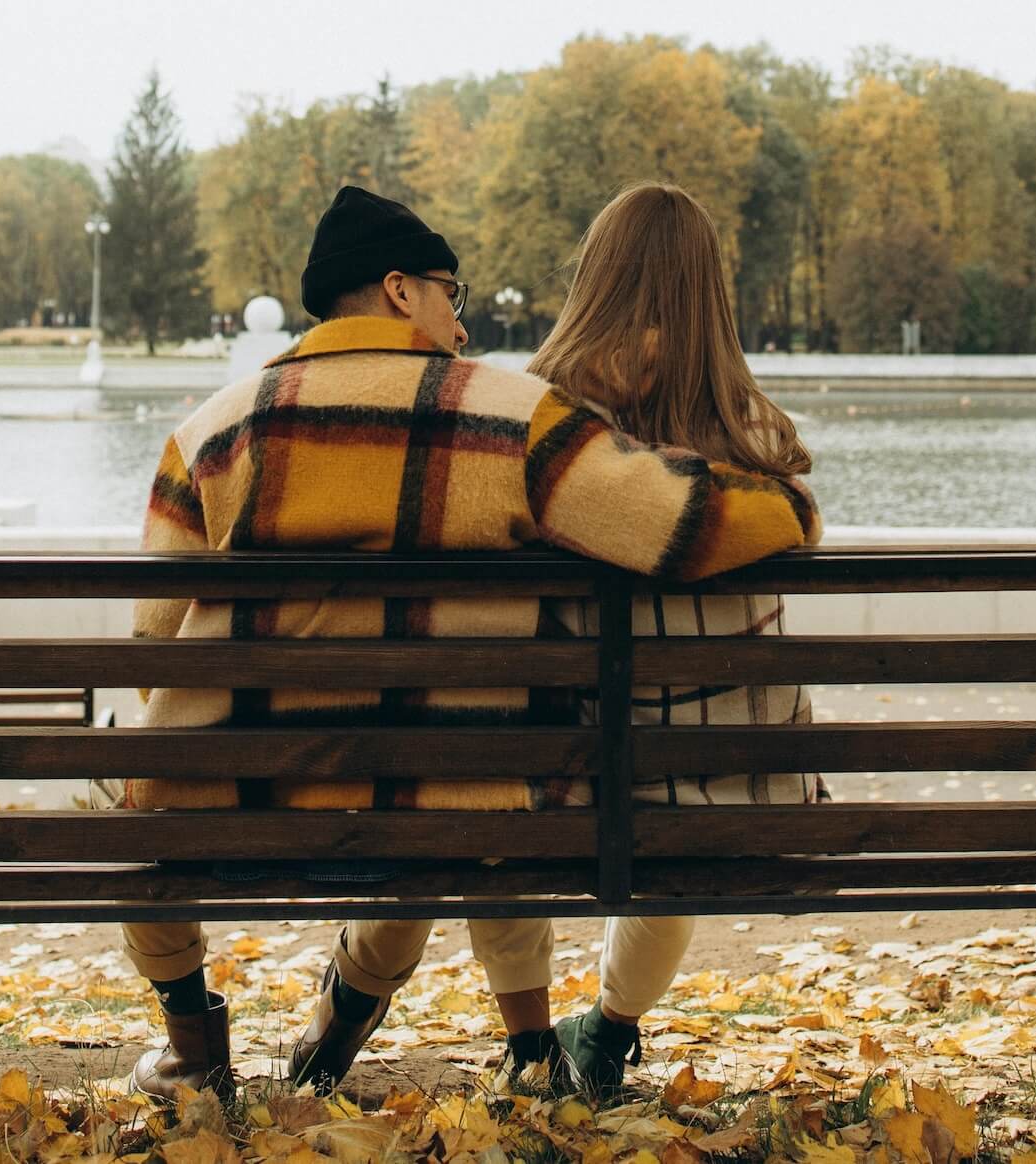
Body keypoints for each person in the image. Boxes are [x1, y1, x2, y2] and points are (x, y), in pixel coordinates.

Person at [120, 185, 819, 1101]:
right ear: (401, 290)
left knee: (123, 792)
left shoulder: (209, 431)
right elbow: (673, 523)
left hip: (233, 797)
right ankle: (431, 1019)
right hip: (449, 790)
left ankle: (193, 1044)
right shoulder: (507, 418)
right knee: (448, 799)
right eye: (451, 292)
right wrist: (791, 506)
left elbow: (155, 647)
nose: (461, 318)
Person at [525, 182, 823, 1094]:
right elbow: (792, 515)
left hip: (574, 779)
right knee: (680, 804)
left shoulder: (545, 420)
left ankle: (529, 1043)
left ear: (595, 276)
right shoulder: (755, 436)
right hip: (750, 784)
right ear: (709, 291)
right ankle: (609, 1032)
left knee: (572, 763)